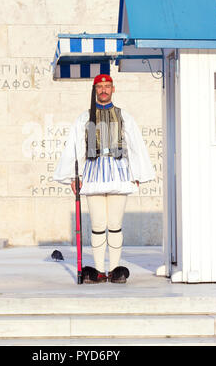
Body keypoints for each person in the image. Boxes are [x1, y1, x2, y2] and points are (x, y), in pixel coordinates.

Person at [53, 74, 155, 283]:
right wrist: (74, 176)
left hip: (118, 173)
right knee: (98, 224)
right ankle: (99, 270)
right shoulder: (84, 117)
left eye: (107, 86)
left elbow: (135, 145)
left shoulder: (124, 116)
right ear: (95, 90)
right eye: (100, 87)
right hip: (93, 173)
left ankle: (115, 269)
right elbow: (75, 147)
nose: (103, 90)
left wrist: (138, 173)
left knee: (115, 224)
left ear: (113, 89)